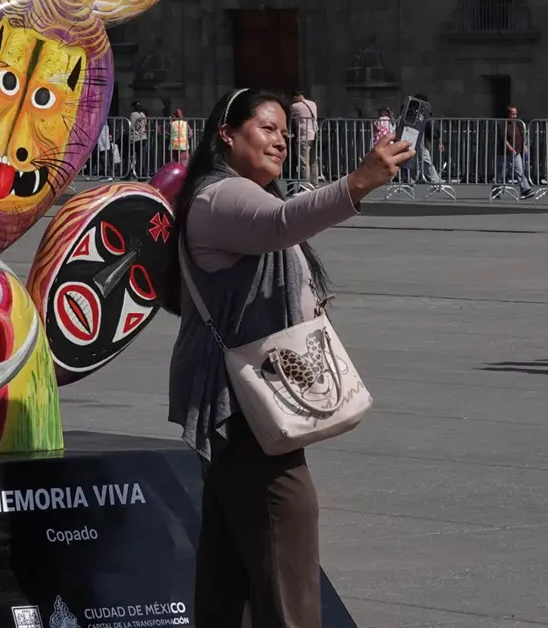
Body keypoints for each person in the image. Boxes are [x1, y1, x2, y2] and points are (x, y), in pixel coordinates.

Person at [168, 88, 413, 627]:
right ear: (226, 135)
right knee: (287, 551)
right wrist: (358, 182)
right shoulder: (220, 197)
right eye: (265, 128)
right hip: (246, 412)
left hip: (239, 414)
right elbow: (280, 224)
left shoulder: (238, 197)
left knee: (226, 576)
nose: (280, 139)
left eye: (284, 130)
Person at [493, 105, 533, 200]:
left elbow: (522, 135)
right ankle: (496, 191)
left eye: (515, 113)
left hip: (516, 152)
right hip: (504, 152)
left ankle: (526, 190)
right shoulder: (503, 124)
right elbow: (503, 138)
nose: (514, 116)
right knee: (501, 174)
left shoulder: (518, 123)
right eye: (512, 114)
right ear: (508, 114)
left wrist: (525, 146)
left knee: (519, 171)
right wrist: (510, 148)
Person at [290, 90, 318, 186]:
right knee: (313, 161)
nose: (293, 100)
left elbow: (290, 118)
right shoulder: (313, 104)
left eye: (293, 98)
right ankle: (315, 183)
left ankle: (306, 184)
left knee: (304, 162)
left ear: (297, 96)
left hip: (303, 136)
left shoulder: (295, 107)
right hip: (314, 135)